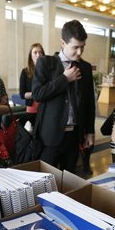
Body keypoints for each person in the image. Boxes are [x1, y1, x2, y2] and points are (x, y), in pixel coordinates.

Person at [32, 20, 96, 173]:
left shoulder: (85, 67)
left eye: (82, 47)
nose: (79, 52)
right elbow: (38, 94)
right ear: (63, 43)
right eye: (75, 47)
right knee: (47, 180)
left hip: (74, 136)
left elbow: (89, 102)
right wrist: (64, 79)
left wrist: (90, 131)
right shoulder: (46, 63)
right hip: (51, 136)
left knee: (69, 179)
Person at [19, 43, 45, 114]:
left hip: (46, 106)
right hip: (32, 106)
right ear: (30, 56)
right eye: (35, 52)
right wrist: (37, 93)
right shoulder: (25, 72)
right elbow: (22, 94)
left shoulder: (47, 71)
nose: (38, 55)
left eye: (40, 52)